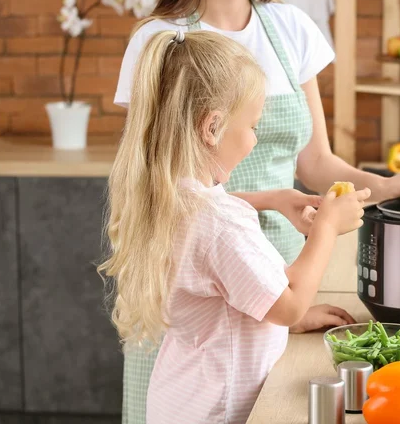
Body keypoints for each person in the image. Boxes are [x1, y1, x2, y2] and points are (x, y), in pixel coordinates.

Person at [113, 0, 400, 421]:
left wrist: (391, 186)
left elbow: (316, 164)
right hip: (201, 323)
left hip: (277, 293)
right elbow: (154, 181)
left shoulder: (289, 28)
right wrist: (283, 303)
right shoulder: (162, 45)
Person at [100, 29, 370, 423]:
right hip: (218, 411)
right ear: (211, 128)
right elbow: (290, 304)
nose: (254, 139)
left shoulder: (164, 196)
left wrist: (274, 198)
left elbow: (219, 263)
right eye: (253, 126)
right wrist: (327, 225)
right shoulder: (222, 226)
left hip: (179, 400)